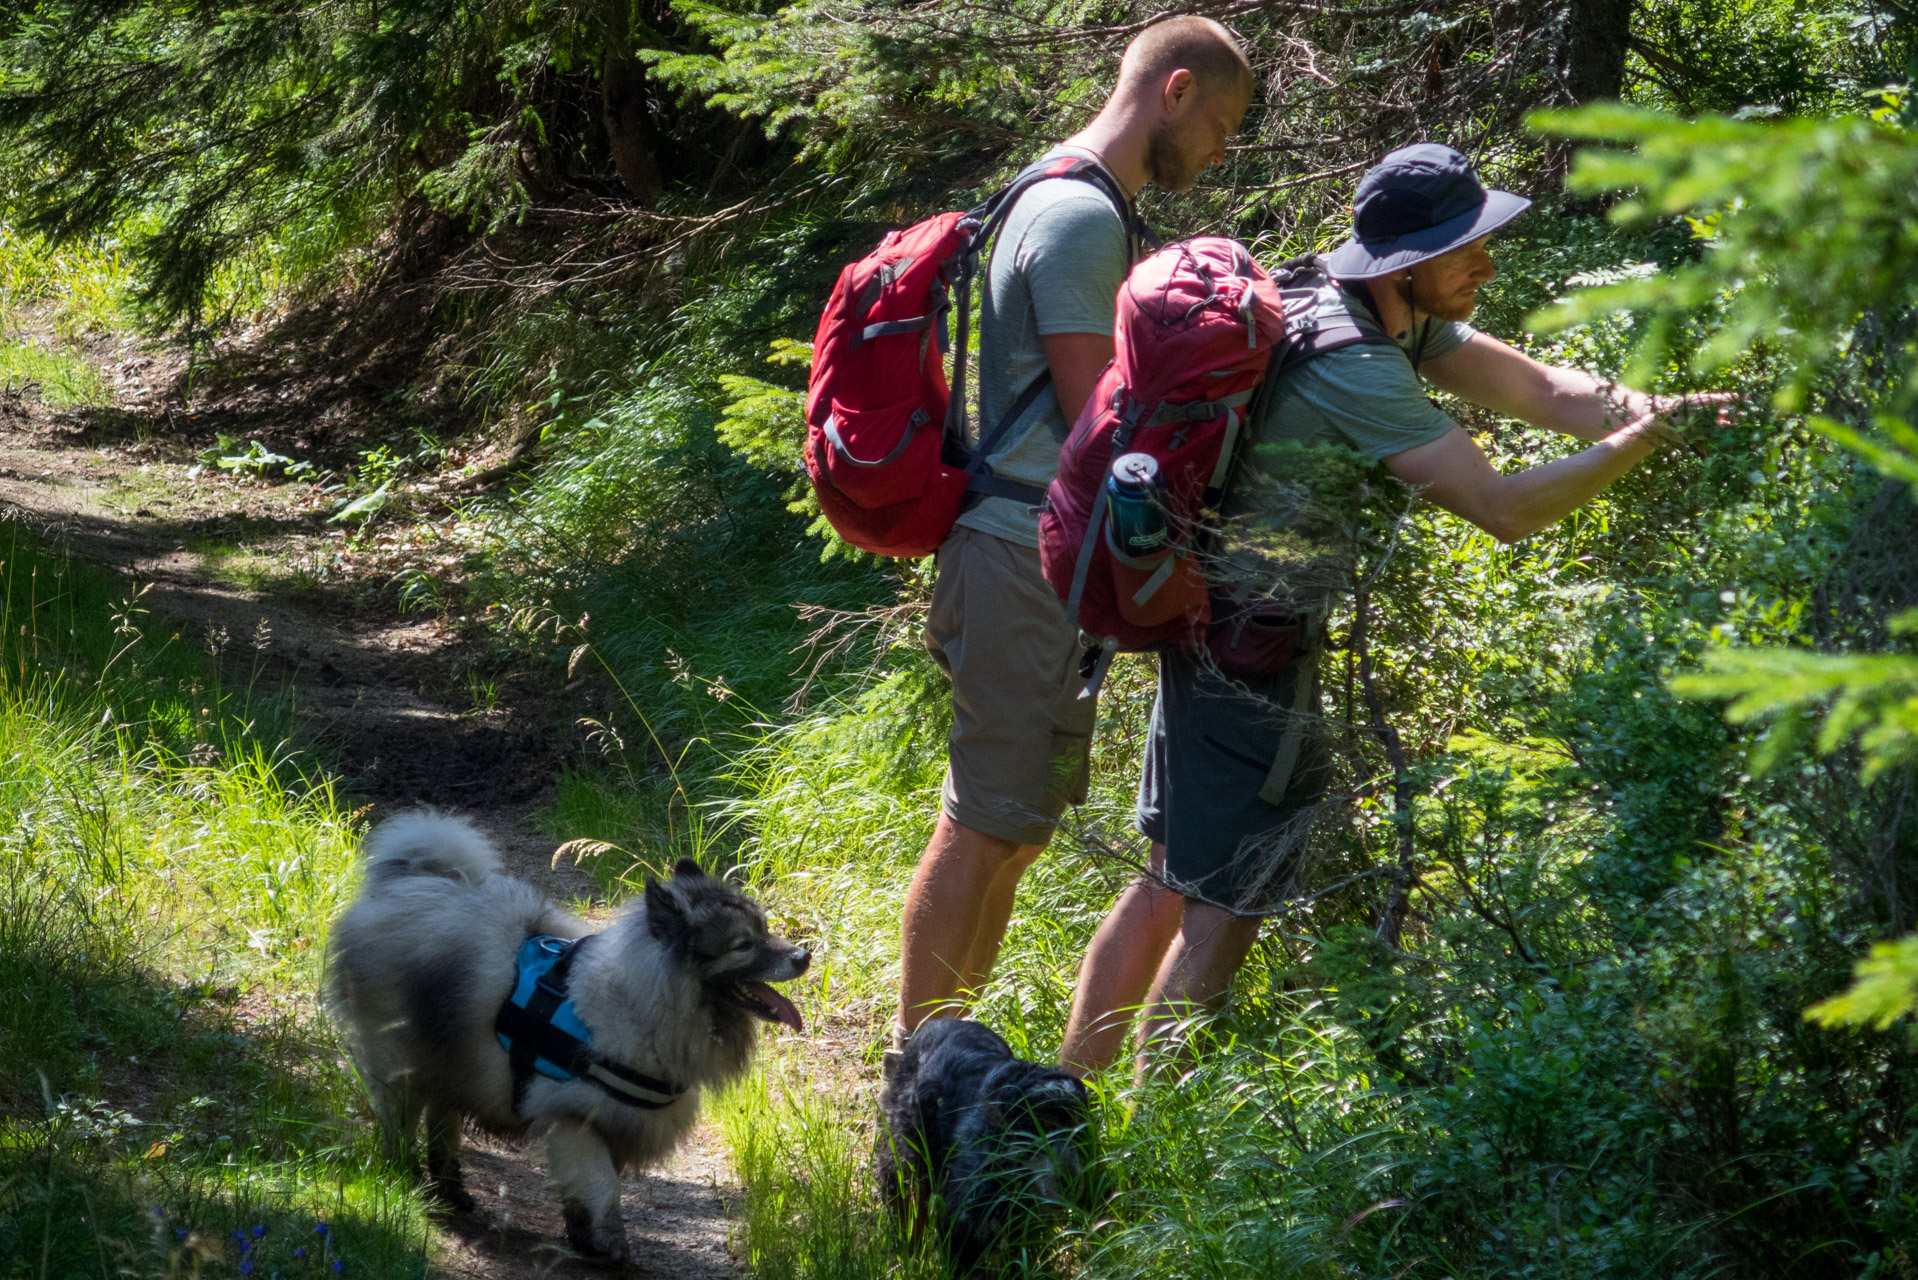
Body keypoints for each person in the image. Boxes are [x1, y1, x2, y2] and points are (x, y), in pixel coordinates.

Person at [1056, 142, 1731, 1078]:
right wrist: (1638, 446)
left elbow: (1538, 390)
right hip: (1252, 650)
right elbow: (1502, 510)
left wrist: (1658, 409)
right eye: (1470, 247)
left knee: (1173, 879)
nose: (1488, 263)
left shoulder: (1355, 304)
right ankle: (1141, 1129)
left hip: (1204, 623)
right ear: (1409, 263)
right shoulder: (1354, 362)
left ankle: (1068, 1095)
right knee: (1229, 903)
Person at [890, 17, 1257, 1073]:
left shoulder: (1050, 192)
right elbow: (1100, 415)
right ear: (1174, 90)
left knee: (1009, 828)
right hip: (1017, 551)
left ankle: (944, 1063)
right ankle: (916, 1079)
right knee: (982, 821)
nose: (1220, 152)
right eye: (1221, 126)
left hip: (1022, 551)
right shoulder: (1079, 217)